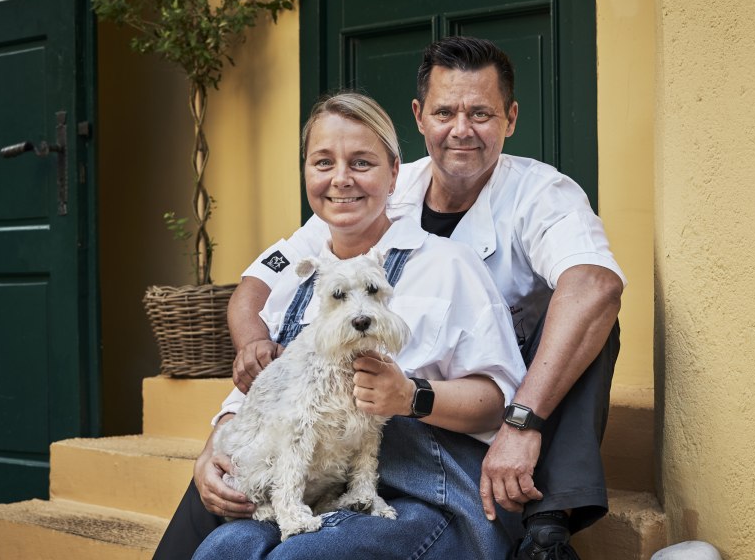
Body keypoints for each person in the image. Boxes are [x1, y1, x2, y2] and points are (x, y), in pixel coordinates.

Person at [227, 36, 626, 560]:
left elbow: (596, 285)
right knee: (221, 537)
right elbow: (268, 276)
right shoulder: (383, 184)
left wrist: (522, 421)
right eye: (445, 112)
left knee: (590, 319)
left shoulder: (540, 193)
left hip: (514, 377)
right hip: (387, 398)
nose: (461, 129)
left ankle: (548, 521)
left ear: (510, 117)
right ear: (419, 116)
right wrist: (253, 342)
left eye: (481, 113)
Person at [157, 92, 528, 559]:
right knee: (223, 551)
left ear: (395, 173)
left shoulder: (448, 265)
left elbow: (499, 400)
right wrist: (212, 453)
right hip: (307, 484)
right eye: (322, 162)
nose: (340, 179)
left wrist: (411, 396)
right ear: (306, 173)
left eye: (361, 162)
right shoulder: (298, 274)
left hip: (421, 495)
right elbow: (263, 391)